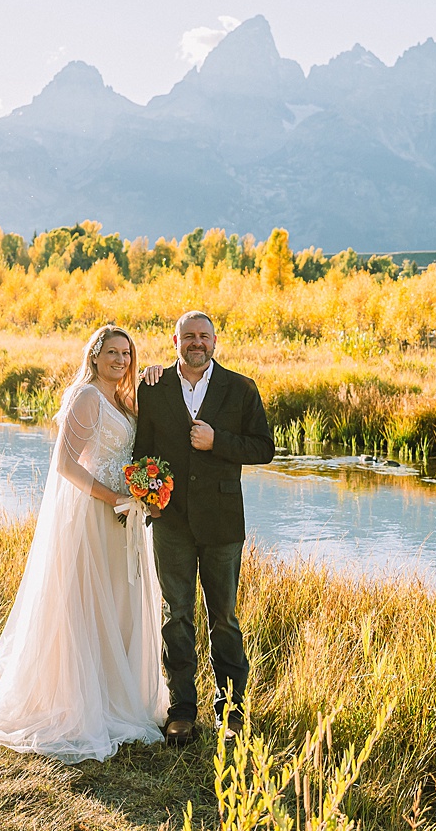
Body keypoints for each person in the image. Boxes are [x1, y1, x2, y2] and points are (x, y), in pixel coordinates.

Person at [0, 324, 167, 762]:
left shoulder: (121, 398)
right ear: (95, 355)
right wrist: (116, 497)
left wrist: (155, 373)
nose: (121, 360)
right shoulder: (86, 397)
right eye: (113, 352)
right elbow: (65, 464)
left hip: (123, 515)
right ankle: (81, 701)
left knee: (118, 600)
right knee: (85, 603)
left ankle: (113, 694)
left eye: (127, 353)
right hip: (94, 514)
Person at [135, 310, 274, 745]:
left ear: (215, 341)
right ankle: (182, 711)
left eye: (204, 336)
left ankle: (231, 713)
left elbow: (265, 449)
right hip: (170, 523)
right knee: (175, 616)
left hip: (222, 523)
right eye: (188, 336)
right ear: (175, 341)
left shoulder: (241, 387)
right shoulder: (153, 387)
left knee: (225, 619)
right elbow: (141, 453)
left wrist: (219, 442)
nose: (197, 343)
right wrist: (149, 500)